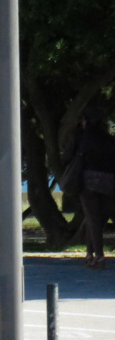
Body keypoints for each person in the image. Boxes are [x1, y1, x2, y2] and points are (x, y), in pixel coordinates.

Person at [63, 107, 115, 269]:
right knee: (98, 220)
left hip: (88, 183)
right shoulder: (109, 139)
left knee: (92, 219)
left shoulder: (80, 136)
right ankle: (90, 254)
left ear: (85, 121)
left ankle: (98, 256)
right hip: (108, 183)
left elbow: (67, 158)